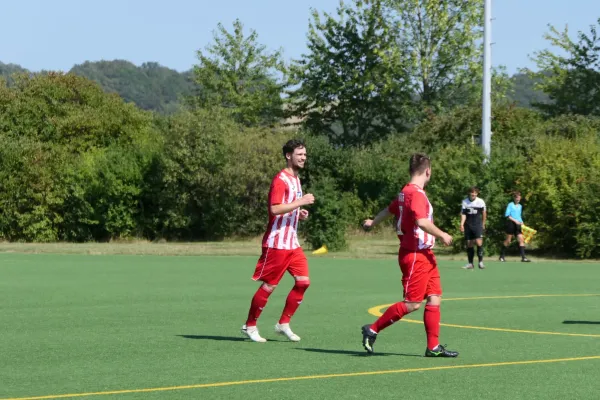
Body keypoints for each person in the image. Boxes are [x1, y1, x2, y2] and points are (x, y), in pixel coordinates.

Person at [360, 153, 458, 357]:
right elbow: (421, 222)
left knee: (434, 298)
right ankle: (373, 328)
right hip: (415, 254)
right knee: (413, 303)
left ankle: (433, 347)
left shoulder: (405, 191)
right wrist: (442, 234)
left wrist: (372, 222)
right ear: (428, 171)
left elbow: (389, 210)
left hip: (425, 254)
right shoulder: (417, 195)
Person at [241, 139, 315, 343]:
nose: (303, 158)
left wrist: (299, 213)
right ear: (288, 156)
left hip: (293, 243)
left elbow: (286, 207)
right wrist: (300, 202)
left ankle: (283, 324)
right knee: (269, 286)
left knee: (303, 282)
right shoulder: (280, 179)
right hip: (277, 243)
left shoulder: (296, 179)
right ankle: (250, 325)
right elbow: (274, 208)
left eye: (305, 155)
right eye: (300, 154)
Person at [460, 187, 487, 270]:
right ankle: (470, 263)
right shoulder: (465, 202)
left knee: (479, 242)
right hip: (468, 225)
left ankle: (480, 262)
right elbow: (463, 214)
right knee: (469, 244)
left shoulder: (480, 201)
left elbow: (484, 213)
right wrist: (461, 224)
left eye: (475, 193)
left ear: (477, 194)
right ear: (469, 193)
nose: (474, 194)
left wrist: (483, 224)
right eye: (472, 193)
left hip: (477, 225)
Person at [499, 192, 530, 262]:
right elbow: (507, 215)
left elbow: (519, 216)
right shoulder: (510, 205)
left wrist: (522, 222)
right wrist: (515, 221)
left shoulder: (520, 206)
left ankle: (523, 257)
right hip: (511, 223)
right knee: (508, 240)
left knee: (521, 239)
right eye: (517, 198)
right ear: (514, 198)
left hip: (518, 224)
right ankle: (501, 256)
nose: (518, 199)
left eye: (519, 198)